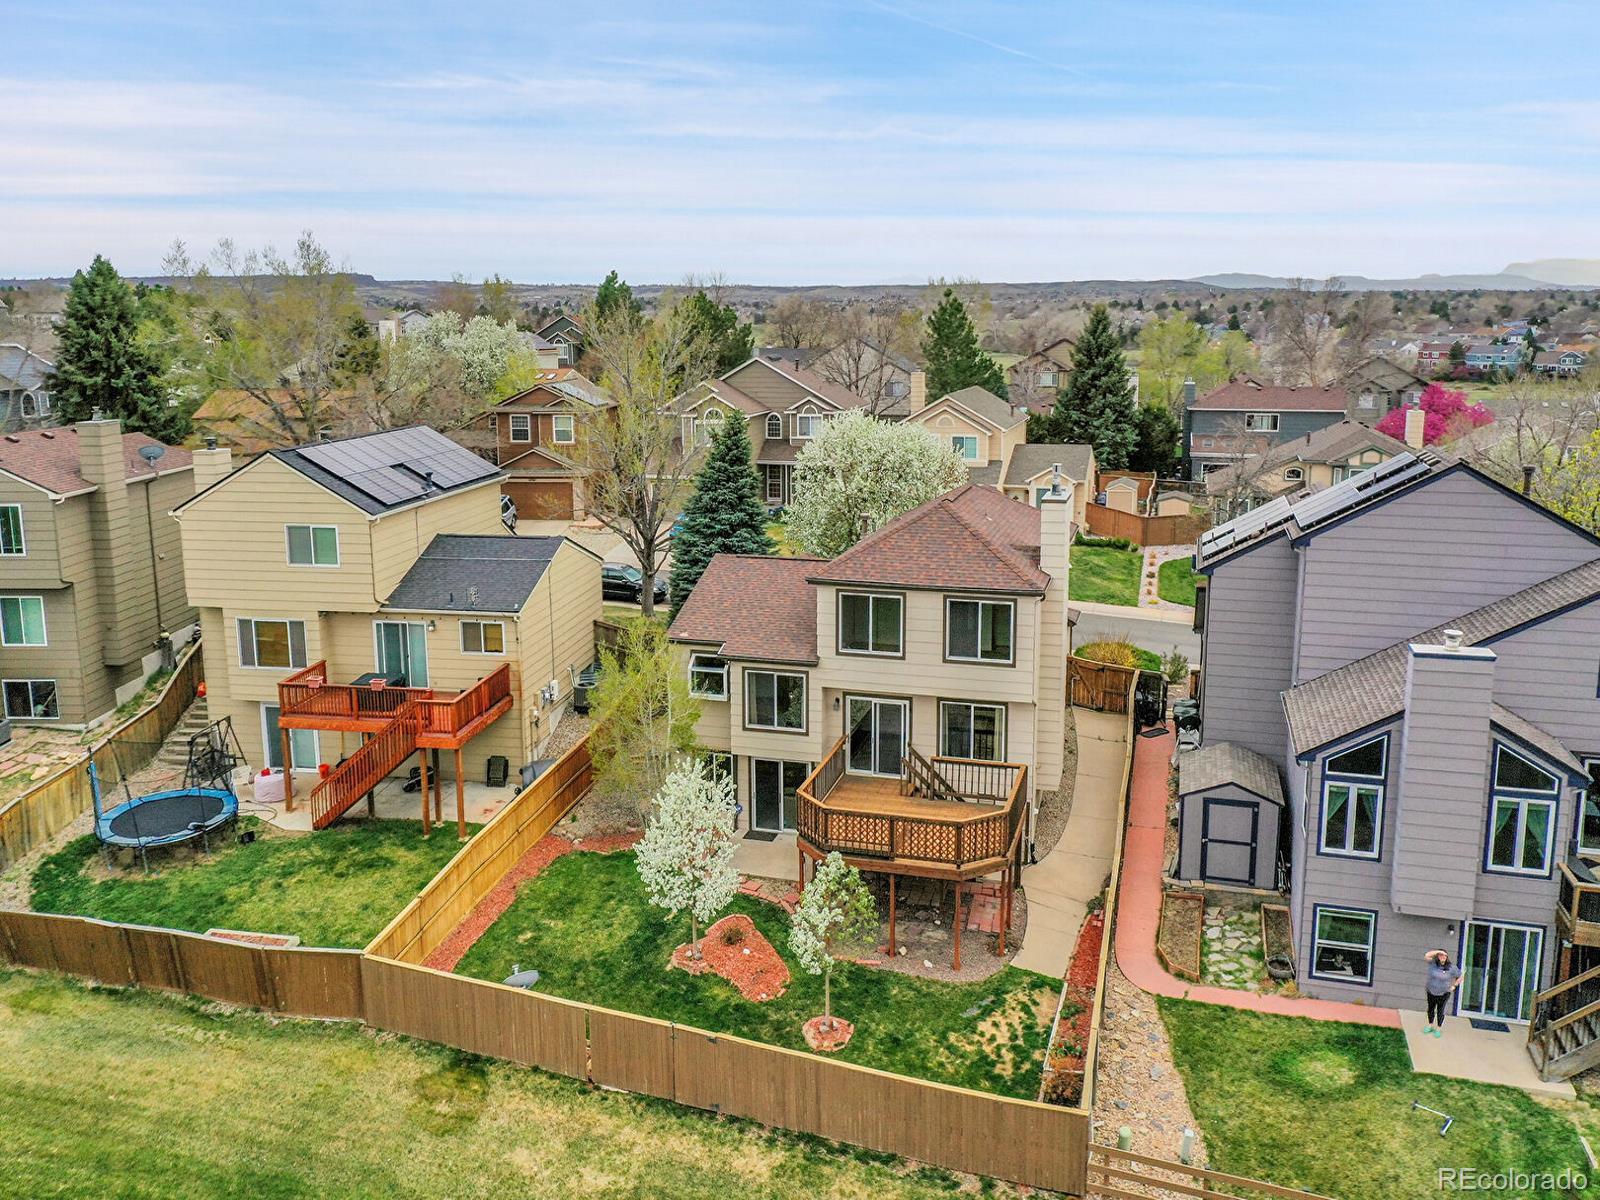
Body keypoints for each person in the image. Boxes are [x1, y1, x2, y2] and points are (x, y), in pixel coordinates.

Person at [1424, 949, 1462, 1037]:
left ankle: (1438, 1028)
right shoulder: (1433, 964)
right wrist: (1438, 951)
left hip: (1444, 993)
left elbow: (1460, 976)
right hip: (1431, 990)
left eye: (1445, 955)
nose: (1443, 957)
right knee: (1430, 1008)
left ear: (1447, 957)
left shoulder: (1451, 968)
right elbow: (1427, 955)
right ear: (1437, 956)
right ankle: (1430, 1025)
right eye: (1441, 955)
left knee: (1440, 1010)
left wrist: (1454, 986)